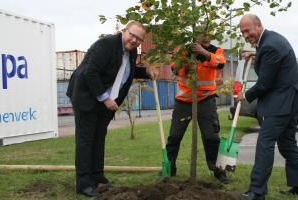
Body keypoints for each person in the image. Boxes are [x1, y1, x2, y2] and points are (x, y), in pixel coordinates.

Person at [66, 21, 157, 197]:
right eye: (132, 35)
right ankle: (84, 183)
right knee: (86, 139)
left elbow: (127, 72)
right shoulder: (105, 44)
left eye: (139, 39)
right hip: (86, 96)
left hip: (104, 102)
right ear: (124, 31)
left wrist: (146, 73)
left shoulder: (130, 52)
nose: (134, 40)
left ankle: (97, 176)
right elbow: (90, 72)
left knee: (99, 137)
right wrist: (105, 98)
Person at [237, 14, 298, 200]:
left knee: (265, 143)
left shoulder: (269, 46)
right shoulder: (270, 39)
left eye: (248, 30)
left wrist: (244, 96)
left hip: (281, 102)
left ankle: (257, 191)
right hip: (291, 99)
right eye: (242, 32)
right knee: (287, 144)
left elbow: (264, 84)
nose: (246, 35)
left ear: (258, 26)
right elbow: (269, 58)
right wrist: (254, 54)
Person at [165, 33, 230, 183]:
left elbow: (220, 63)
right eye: (203, 37)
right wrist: (186, 66)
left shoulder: (216, 50)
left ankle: (217, 170)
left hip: (206, 100)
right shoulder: (184, 51)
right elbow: (174, 69)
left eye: (210, 36)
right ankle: (170, 168)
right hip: (184, 101)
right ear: (196, 37)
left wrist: (205, 53)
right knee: (174, 136)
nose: (207, 39)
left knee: (211, 137)